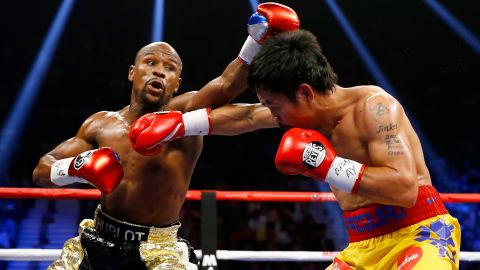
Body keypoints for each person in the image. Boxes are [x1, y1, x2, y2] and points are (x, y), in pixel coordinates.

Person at [141, 29, 461, 269]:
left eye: (273, 104)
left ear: (305, 93)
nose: (270, 112)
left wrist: (326, 165)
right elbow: (247, 116)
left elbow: (405, 189)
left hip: (419, 233)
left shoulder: (374, 107)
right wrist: (180, 125)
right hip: (362, 244)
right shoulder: (304, 116)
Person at [31, 3, 300, 269]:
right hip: (98, 238)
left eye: (170, 68)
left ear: (177, 84)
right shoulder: (100, 124)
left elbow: (227, 84)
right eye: (150, 63)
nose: (159, 70)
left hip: (157, 250)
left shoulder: (183, 117)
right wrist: (76, 168)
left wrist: (257, 41)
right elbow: (42, 170)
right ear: (132, 73)